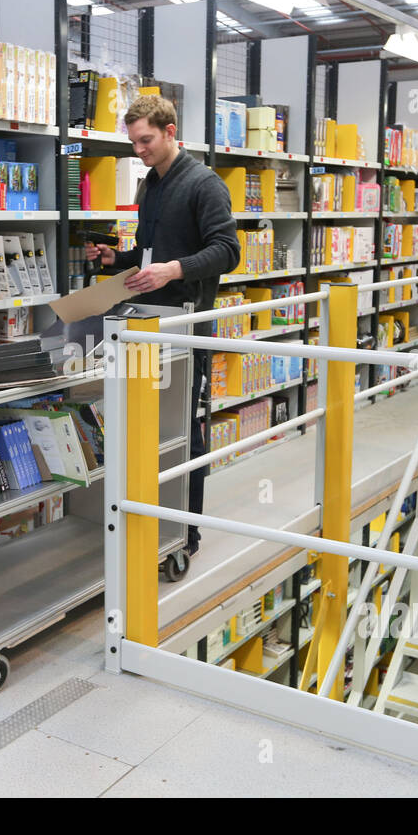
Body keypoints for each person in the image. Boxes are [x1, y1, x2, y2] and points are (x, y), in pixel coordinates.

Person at [84, 95, 240, 557]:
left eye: (146, 140)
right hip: (146, 325)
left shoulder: (204, 184)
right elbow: (152, 254)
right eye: (133, 142)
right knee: (145, 427)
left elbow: (228, 251)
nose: (139, 150)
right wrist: (122, 259)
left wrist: (174, 270)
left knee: (180, 429)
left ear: (171, 132)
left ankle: (184, 533)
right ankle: (145, 519)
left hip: (186, 327)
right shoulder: (149, 186)